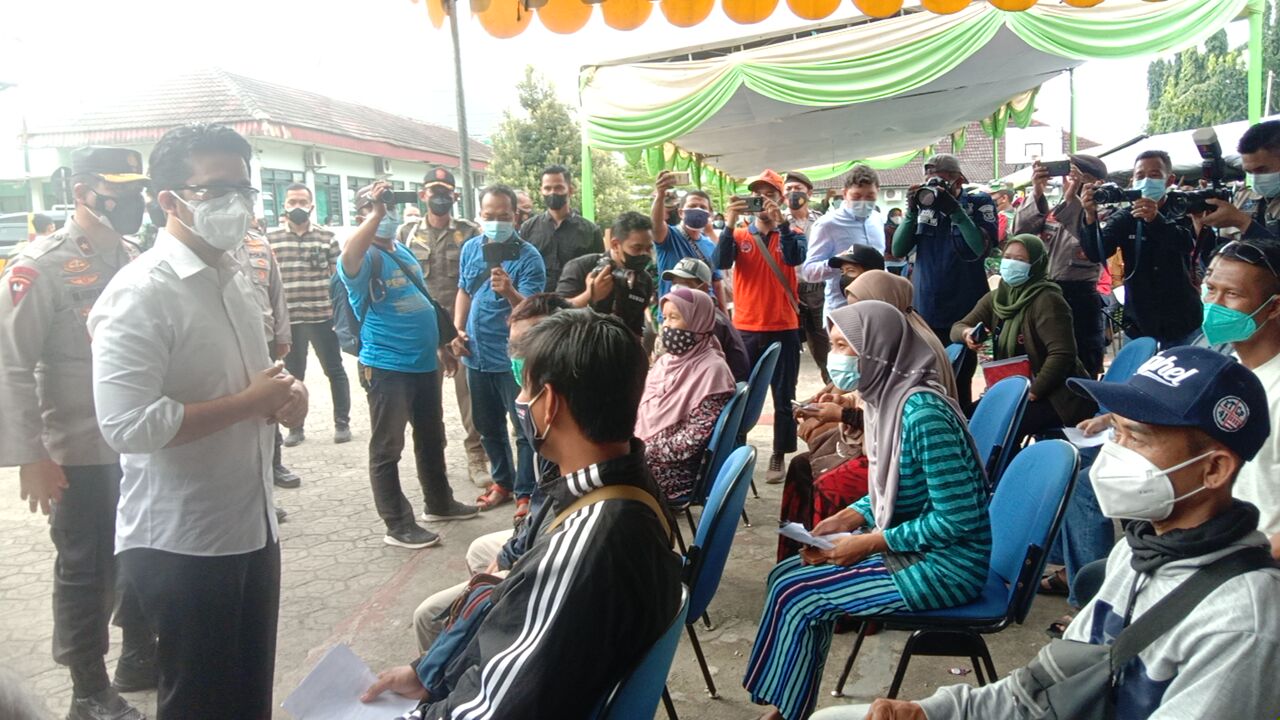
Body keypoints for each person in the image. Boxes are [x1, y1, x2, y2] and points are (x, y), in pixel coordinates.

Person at [829, 347, 1280, 720]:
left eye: (1137, 438)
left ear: (1214, 469)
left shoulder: (1240, 623)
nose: (1114, 454)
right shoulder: (1136, 553)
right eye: (1116, 433)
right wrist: (932, 711)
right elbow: (1043, 687)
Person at [362, 310, 683, 719]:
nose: (519, 400)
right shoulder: (625, 482)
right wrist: (429, 674)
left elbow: (489, 711)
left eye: (525, 388)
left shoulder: (582, 547)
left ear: (549, 404)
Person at [89, 124, 307, 718]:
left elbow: (261, 378)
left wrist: (290, 395)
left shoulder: (235, 276)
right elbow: (127, 425)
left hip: (251, 525)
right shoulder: (141, 293)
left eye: (244, 189)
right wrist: (250, 403)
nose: (236, 204)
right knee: (201, 702)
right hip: (183, 541)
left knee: (247, 696)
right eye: (216, 190)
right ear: (169, 200)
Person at [743, 300, 990, 720]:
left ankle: (787, 714)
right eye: (833, 344)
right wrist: (848, 518)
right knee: (786, 576)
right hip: (916, 548)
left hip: (949, 566)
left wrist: (871, 542)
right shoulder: (885, 402)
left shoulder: (922, 416)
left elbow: (958, 518)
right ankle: (786, 707)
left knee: (800, 595)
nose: (834, 357)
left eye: (845, 346)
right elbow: (893, 489)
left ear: (878, 351)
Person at [0, 146, 149, 720]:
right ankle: (88, 689)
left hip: (138, 443)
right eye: (121, 190)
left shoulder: (133, 255)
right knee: (87, 570)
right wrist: (30, 455)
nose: (133, 200)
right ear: (84, 192)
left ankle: (139, 656)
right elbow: (11, 365)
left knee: (139, 554)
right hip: (79, 448)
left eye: (137, 189)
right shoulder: (41, 266)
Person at [411, 292, 570, 652]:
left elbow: (552, 531)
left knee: (429, 616)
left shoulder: (566, 448)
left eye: (527, 347)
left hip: (544, 568)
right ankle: (481, 638)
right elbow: (543, 514)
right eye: (513, 347)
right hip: (539, 544)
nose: (518, 359)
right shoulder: (557, 438)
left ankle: (482, 645)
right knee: (480, 552)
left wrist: (508, 562)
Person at [340, 180, 479, 548]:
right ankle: (397, 524)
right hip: (388, 366)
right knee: (387, 447)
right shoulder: (362, 258)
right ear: (362, 215)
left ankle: (439, 502)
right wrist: (375, 213)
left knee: (432, 437)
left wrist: (441, 344)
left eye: (388, 207)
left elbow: (424, 302)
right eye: (375, 209)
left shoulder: (400, 248)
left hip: (423, 363)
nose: (386, 214)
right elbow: (349, 256)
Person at [454, 184, 547, 520]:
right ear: (480, 216)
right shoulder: (470, 248)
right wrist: (457, 329)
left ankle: (526, 491)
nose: (496, 222)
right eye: (489, 215)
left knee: (522, 428)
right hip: (475, 356)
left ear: (515, 216)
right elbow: (464, 290)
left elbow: (533, 312)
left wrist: (509, 291)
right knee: (486, 425)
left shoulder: (529, 257)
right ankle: (502, 482)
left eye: (503, 216)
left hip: (512, 358)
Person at [398, 166, 491, 489]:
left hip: (463, 331)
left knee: (471, 398)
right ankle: (433, 459)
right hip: (423, 332)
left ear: (455, 196)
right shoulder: (406, 233)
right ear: (422, 195)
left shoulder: (471, 232)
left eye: (445, 192)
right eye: (433, 191)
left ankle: (476, 455)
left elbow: (479, 283)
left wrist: (459, 331)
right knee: (425, 401)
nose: (439, 197)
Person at [952, 234, 1097, 440]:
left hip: (1055, 395)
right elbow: (957, 328)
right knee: (968, 419)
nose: (1011, 264)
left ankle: (1003, 461)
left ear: (1036, 265)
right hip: (1013, 388)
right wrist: (967, 333)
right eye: (1008, 257)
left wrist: (1033, 392)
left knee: (997, 427)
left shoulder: (1048, 300)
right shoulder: (998, 298)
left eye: (1020, 260)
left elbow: (1062, 354)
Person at [717, 169, 807, 483]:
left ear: (781, 199)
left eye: (769, 194)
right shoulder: (739, 235)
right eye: (757, 194)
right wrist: (729, 222)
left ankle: (779, 453)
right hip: (746, 327)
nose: (763, 200)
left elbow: (795, 258)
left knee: (784, 394)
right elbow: (721, 262)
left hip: (783, 326)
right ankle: (736, 449)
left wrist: (782, 224)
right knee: (739, 392)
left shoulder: (792, 232)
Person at [892, 153, 997, 413]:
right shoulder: (924, 205)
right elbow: (898, 249)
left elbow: (979, 248)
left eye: (941, 179)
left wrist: (956, 212)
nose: (934, 184)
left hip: (966, 308)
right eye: (929, 178)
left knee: (960, 376)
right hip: (927, 306)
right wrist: (911, 212)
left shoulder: (978, 202)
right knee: (929, 377)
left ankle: (962, 425)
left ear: (958, 179)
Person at [1200, 239, 1280, 559]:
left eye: (1232, 294)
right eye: (1210, 289)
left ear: (1273, 307)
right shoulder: (1227, 371)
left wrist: (1244, 564)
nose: (1214, 305)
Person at [1082, 150, 1201, 348]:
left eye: (1154, 175)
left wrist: (1155, 220)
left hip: (1182, 320)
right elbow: (1096, 253)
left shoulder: (1181, 209)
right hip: (1140, 322)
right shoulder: (1126, 216)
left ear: (1169, 180)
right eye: (1140, 175)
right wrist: (1089, 216)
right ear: (1133, 180)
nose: (1146, 181)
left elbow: (1186, 244)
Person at [268, 182, 353, 451]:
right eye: (292, 202)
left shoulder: (326, 237)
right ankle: (295, 427)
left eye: (302, 202)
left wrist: (341, 316)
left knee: (334, 370)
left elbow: (339, 279)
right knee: (293, 376)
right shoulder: (272, 240)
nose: (297, 207)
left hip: (322, 316)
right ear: (284, 206)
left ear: (312, 206)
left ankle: (342, 423)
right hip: (290, 320)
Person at [1014, 155, 1110, 377]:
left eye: (1079, 177)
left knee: (1082, 363)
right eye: (1068, 175)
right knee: (1044, 360)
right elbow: (1021, 234)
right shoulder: (1056, 209)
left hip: (1079, 296)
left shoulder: (1103, 211)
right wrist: (1037, 191)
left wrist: (1074, 200)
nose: (1071, 182)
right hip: (1044, 291)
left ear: (1098, 182)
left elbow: (1094, 245)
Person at [638, 287, 736, 501]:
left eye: (674, 318)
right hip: (643, 457)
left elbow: (692, 440)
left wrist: (643, 451)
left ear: (697, 322)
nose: (666, 326)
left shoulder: (712, 370)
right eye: (664, 318)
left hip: (673, 471)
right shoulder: (665, 362)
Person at [235, 221, 301, 518]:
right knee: (245, 414)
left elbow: (276, 292)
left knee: (269, 409)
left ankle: (274, 466)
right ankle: (254, 494)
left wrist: (283, 334)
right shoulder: (210, 246)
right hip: (231, 341)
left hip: (265, 336)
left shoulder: (259, 244)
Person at [803, 165, 887, 317]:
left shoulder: (877, 219)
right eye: (856, 196)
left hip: (877, 306)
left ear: (878, 192)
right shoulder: (827, 224)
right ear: (845, 193)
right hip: (842, 309)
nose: (863, 202)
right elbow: (808, 272)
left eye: (870, 196)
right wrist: (839, 262)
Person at [557, 210, 654, 336]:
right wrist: (590, 296)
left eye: (648, 248)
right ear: (615, 245)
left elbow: (636, 329)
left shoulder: (645, 280)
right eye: (637, 248)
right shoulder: (581, 267)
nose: (644, 254)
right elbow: (557, 314)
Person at [663, 257, 751, 381]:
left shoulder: (707, 322)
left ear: (703, 288)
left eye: (684, 283)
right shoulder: (703, 312)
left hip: (724, 384)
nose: (676, 289)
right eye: (674, 283)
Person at [519, 164, 602, 292]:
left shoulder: (591, 231)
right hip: (537, 299)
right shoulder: (528, 228)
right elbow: (520, 267)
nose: (552, 193)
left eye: (558, 188)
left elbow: (598, 271)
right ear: (541, 190)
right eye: (547, 188)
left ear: (570, 190)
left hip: (576, 300)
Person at [651, 171, 725, 311]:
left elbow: (716, 283)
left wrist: (725, 317)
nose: (698, 209)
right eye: (692, 206)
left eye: (703, 207)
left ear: (709, 214)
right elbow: (656, 224)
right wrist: (660, 195)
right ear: (681, 212)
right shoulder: (669, 236)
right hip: (674, 314)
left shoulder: (710, 245)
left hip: (704, 315)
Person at [1198, 119, 1280, 242]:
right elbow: (1222, 251)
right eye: (1249, 172)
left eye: (1262, 170)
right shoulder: (1245, 196)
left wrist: (1243, 223)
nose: (1256, 178)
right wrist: (1200, 223)